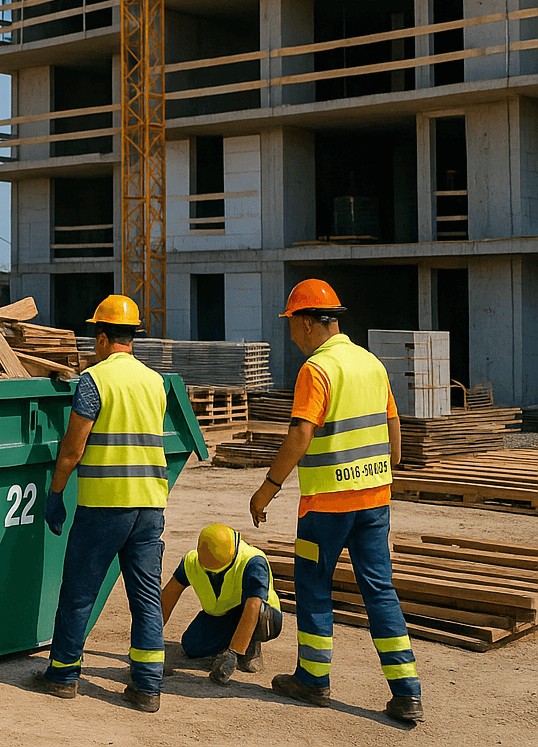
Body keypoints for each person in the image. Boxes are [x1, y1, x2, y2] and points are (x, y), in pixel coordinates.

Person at [248, 279, 424, 725]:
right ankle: (407, 694)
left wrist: (269, 486)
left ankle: (313, 679)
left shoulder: (317, 370)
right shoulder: (371, 363)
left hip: (326, 508)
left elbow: (300, 433)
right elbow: (393, 428)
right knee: (380, 591)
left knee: (313, 587)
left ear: (308, 323)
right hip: (374, 503)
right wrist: (387, 468)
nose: (290, 334)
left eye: (291, 324)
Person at [33, 294, 169, 713]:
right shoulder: (155, 381)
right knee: (146, 597)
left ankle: (63, 674)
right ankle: (147, 687)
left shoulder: (95, 381)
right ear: (134, 338)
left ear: (103, 337)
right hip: (150, 506)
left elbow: (73, 450)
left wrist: (55, 493)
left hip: (106, 505)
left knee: (79, 592)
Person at [160, 523, 284, 684]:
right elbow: (167, 599)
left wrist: (233, 653)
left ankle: (249, 647)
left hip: (260, 613)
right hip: (222, 614)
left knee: (259, 614)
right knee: (192, 646)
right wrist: (148, 637)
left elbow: (253, 605)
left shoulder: (253, 561)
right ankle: (230, 643)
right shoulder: (191, 561)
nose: (213, 574)